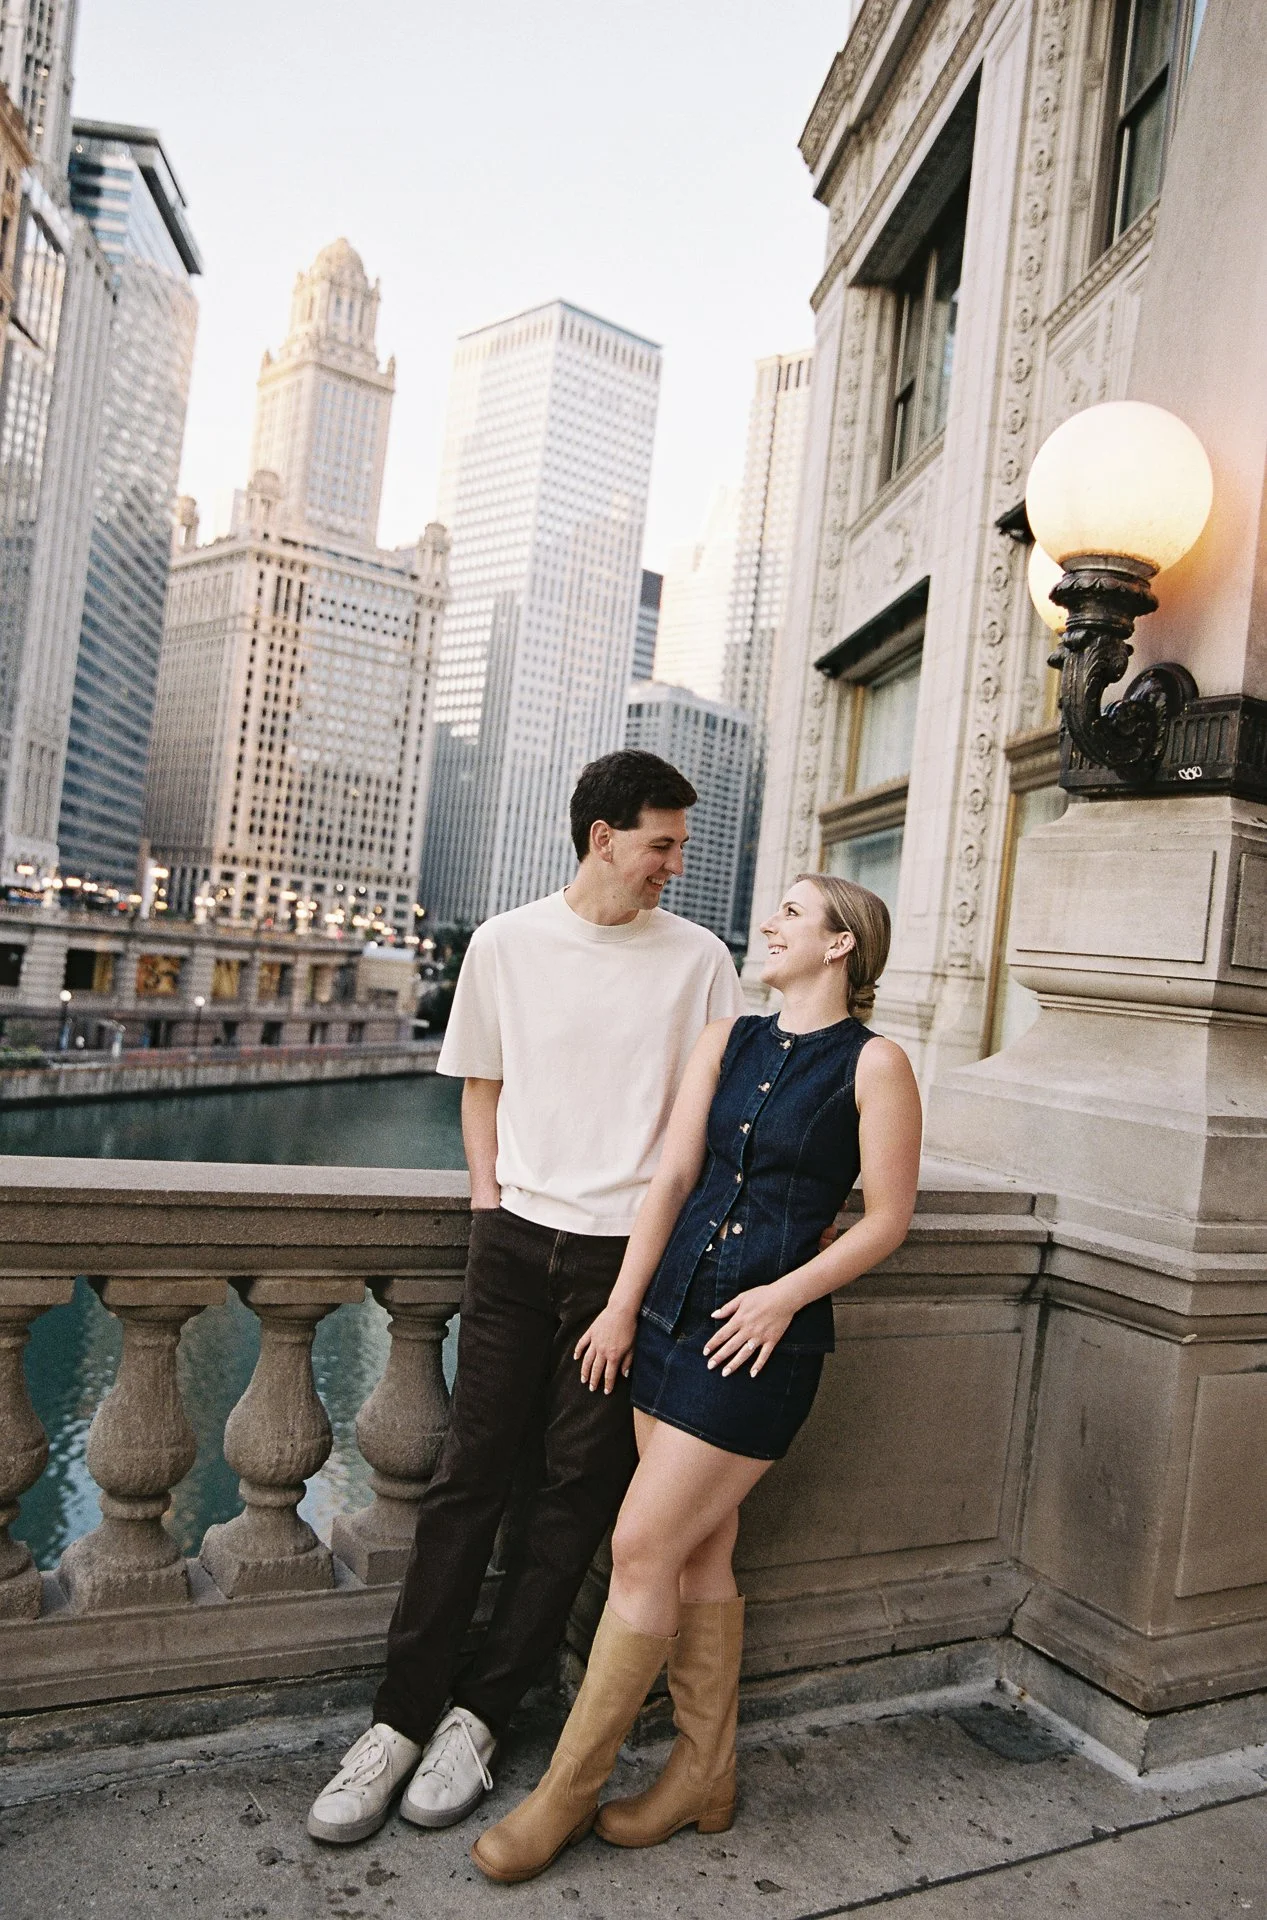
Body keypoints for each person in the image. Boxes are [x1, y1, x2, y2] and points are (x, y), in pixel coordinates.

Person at [307, 750, 746, 1845]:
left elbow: (700, 1138)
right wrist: (491, 1208)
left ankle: (481, 1716)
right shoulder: (505, 943)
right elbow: (482, 1090)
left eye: (680, 846)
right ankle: (399, 1721)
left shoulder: (700, 962)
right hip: (512, 1247)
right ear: (602, 835)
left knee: (570, 1497)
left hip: (621, 1263)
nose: (674, 867)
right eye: (662, 844)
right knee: (466, 1481)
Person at [470, 872, 922, 1884]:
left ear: (840, 944)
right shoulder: (728, 1042)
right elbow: (672, 1177)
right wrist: (624, 1305)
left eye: (793, 915)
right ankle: (702, 1775)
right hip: (671, 1318)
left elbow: (887, 1218)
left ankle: (565, 1795)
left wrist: (785, 1296)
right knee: (698, 1552)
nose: (771, 925)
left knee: (638, 1544)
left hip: (758, 1344)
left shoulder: (877, 1064)